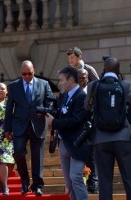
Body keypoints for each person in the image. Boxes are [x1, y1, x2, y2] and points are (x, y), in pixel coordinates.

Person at [84, 57, 131, 200]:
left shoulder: (93, 86)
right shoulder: (126, 85)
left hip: (100, 139)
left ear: (104, 69)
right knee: (129, 179)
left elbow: (87, 107)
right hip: (123, 138)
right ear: (118, 70)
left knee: (104, 182)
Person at [4, 60, 53, 196]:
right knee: (18, 152)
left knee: (37, 157)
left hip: (38, 125)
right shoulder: (14, 86)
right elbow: (9, 109)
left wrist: (42, 110)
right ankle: (24, 181)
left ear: (34, 71)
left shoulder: (44, 84)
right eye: (24, 74)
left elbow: (50, 102)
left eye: (29, 73)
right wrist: (7, 129)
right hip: (19, 125)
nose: (26, 76)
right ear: (21, 73)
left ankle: (37, 185)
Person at [45, 66, 89, 200]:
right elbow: (63, 115)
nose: (60, 83)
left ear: (71, 79)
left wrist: (54, 122)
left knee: (75, 177)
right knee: (69, 184)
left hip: (77, 144)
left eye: (62, 80)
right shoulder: (64, 96)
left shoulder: (82, 96)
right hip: (64, 143)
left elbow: (76, 120)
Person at [77, 68, 99, 194]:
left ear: (88, 78)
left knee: (92, 157)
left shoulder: (92, 91)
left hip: (91, 129)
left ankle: (94, 184)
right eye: (79, 77)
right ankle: (82, 183)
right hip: (78, 129)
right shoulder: (74, 92)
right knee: (81, 158)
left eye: (84, 77)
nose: (81, 80)